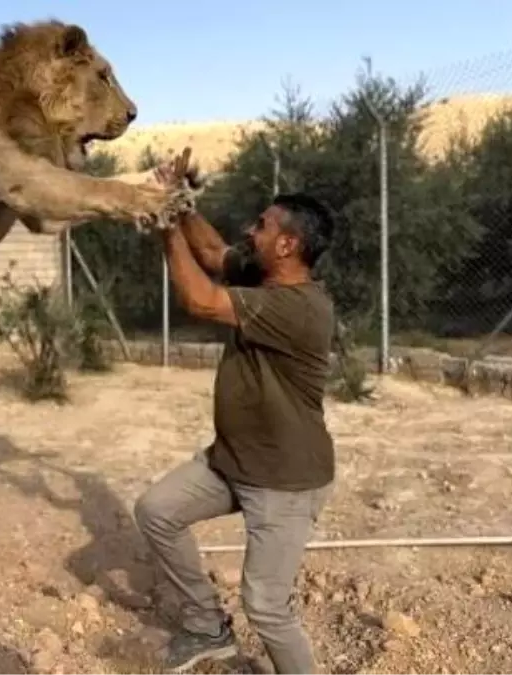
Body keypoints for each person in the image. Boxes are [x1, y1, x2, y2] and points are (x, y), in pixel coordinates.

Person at [130, 149, 338, 674]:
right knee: (158, 511)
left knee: (268, 607)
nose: (252, 230)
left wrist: (161, 224)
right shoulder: (264, 275)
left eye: (263, 226)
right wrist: (177, 203)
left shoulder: (299, 307)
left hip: (284, 480)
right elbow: (211, 251)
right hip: (232, 460)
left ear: (288, 244)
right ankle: (206, 625)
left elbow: (201, 300)